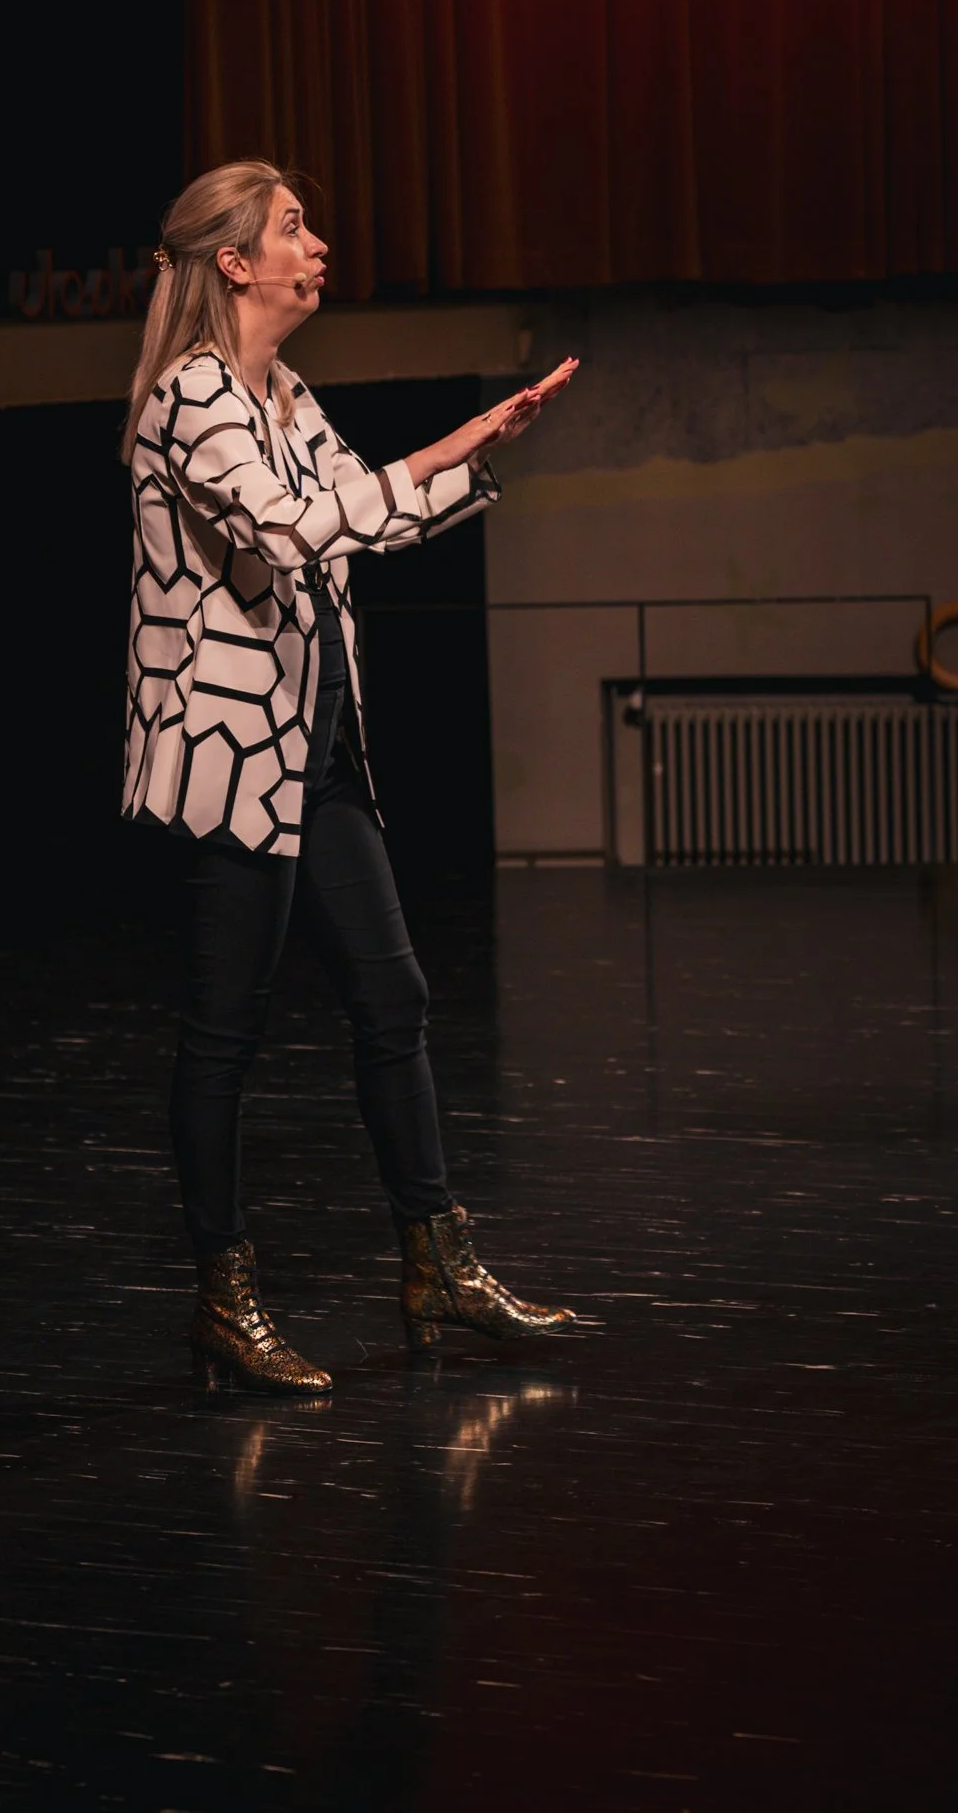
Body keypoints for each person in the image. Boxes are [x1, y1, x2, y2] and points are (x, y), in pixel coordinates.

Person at [122, 159, 580, 1395]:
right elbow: (287, 526)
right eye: (293, 228)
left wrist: (476, 444)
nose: (316, 245)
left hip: (317, 754)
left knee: (394, 998)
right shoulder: (193, 398)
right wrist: (434, 453)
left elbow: (361, 515)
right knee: (223, 1035)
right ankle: (223, 1294)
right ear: (234, 261)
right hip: (233, 760)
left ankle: (437, 1259)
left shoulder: (283, 391)